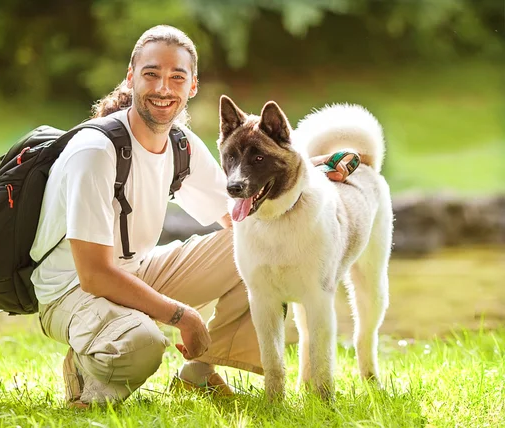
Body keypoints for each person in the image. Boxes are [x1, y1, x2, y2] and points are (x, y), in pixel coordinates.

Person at [30, 25, 355, 408]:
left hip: (135, 271)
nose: (164, 88)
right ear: (131, 77)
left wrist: (302, 170)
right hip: (74, 291)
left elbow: (241, 209)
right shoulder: (96, 152)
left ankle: (196, 375)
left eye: (176, 77)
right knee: (143, 344)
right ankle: (90, 373)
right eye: (151, 74)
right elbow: (94, 274)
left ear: (192, 86)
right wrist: (182, 316)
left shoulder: (180, 145)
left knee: (257, 247)